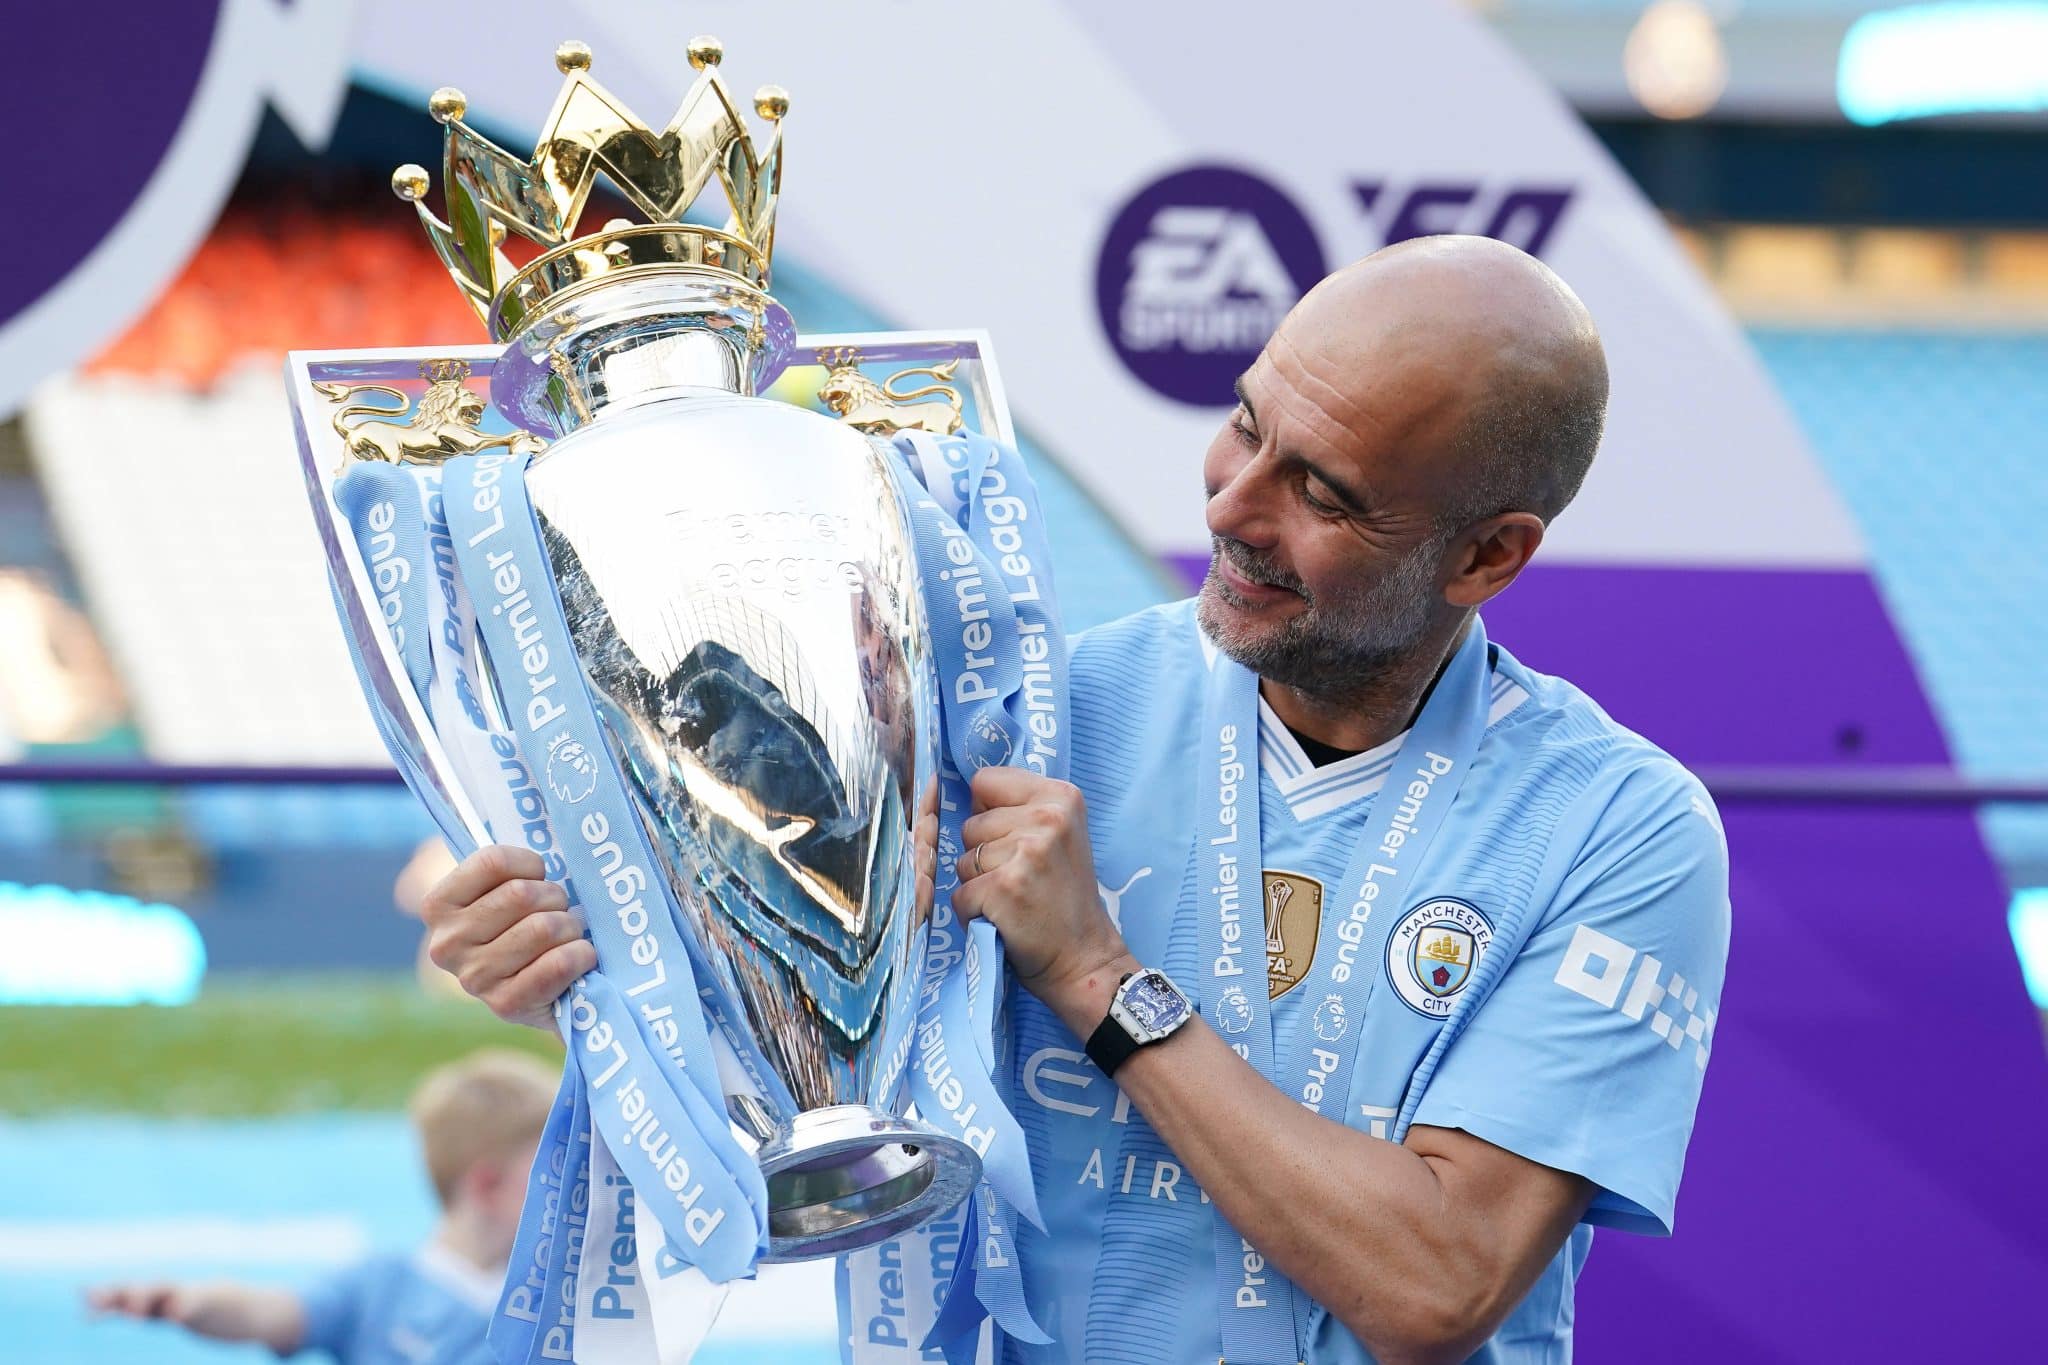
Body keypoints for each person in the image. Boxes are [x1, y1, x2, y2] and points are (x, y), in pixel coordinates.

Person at [419, 234, 1731, 1363]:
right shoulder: (1021, 722)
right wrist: (611, 984)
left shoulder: (1619, 829)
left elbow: (1438, 1282)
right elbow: (812, 1086)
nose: (1232, 503)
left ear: (1489, 554)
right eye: (1246, 424)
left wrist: (1101, 976)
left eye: (1321, 491)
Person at [89, 1047, 558, 1364]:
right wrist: (192, 1304)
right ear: (488, 1185)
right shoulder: (380, 1288)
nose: (577, 1190)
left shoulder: (564, 1296)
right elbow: (271, 1313)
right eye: (555, 1173)